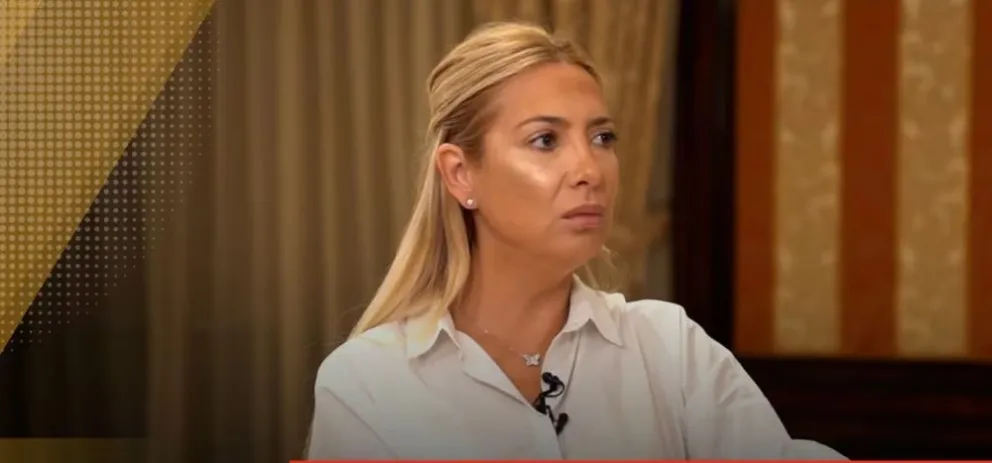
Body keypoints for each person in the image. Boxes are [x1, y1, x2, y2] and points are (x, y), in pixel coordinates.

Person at [305, 21, 846, 460]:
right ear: (460, 173)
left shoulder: (669, 349)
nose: (590, 169)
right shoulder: (370, 383)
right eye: (545, 140)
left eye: (602, 138)